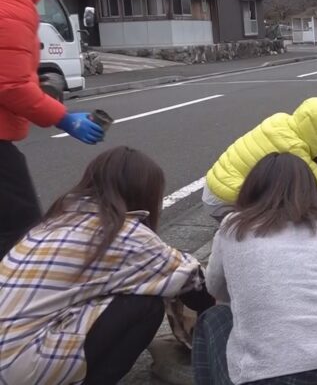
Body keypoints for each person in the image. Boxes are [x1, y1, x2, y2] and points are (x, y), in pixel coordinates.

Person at [0, 147, 213, 384]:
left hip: (10, 349)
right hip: (21, 366)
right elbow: (193, 280)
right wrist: (217, 319)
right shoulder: (122, 233)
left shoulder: (55, 221)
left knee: (136, 285)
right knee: (146, 304)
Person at [193, 153, 317, 385]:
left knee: (213, 316)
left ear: (251, 190)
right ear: (313, 191)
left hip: (272, 377)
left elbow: (215, 289)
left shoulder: (234, 228)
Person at [0, 0, 105, 257]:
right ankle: (18, 306)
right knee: (19, 231)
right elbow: (11, 84)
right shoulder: (9, 2)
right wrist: (63, 118)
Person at [203, 97, 317, 207]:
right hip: (226, 200)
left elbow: (314, 141)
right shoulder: (294, 148)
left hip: (215, 184)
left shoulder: (280, 120)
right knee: (291, 204)